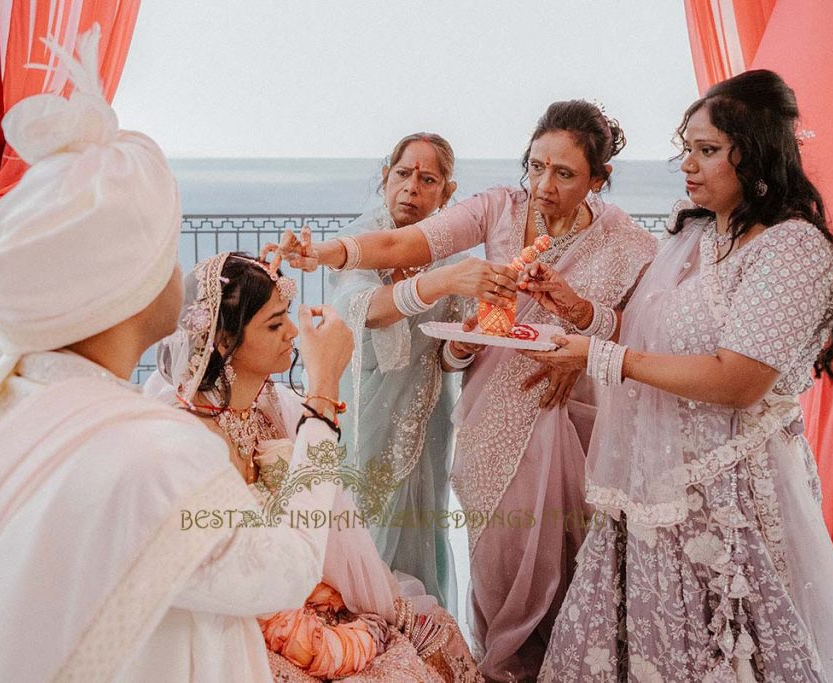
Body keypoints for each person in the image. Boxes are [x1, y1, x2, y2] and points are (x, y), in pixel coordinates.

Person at [0, 29, 352, 682]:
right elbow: (289, 568)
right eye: (165, 251)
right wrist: (323, 397)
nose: (182, 276)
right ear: (126, 287)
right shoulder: (156, 456)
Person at [266, 101, 658, 681]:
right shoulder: (498, 207)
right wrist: (324, 252)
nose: (544, 186)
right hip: (484, 403)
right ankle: (502, 664)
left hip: (562, 408)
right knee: (496, 551)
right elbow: (407, 246)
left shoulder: (624, 239)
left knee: (561, 547)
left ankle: (556, 667)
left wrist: (582, 332)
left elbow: (642, 321)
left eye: (566, 174)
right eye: (537, 165)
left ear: (598, 180)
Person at [525, 70, 833, 681]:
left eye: (707, 151)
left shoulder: (791, 250)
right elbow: (649, 331)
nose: (688, 165)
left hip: (730, 498)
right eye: (687, 148)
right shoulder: (699, 232)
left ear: (757, 152)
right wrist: (581, 313)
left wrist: (598, 358)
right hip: (652, 482)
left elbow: (738, 380)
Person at [145, 252, 482, 682]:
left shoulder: (274, 403)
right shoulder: (195, 440)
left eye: (288, 315)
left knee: (435, 632)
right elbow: (255, 569)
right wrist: (323, 389)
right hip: (248, 613)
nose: (292, 332)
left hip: (303, 587)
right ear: (225, 342)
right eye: (273, 324)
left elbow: (335, 523)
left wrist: (383, 604)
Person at [329, 132, 508, 609]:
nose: (412, 187)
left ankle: (419, 648)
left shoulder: (452, 257)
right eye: (403, 174)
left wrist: (464, 345)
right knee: (362, 526)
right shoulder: (367, 243)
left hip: (426, 416)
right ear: (386, 177)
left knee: (421, 530)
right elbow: (364, 308)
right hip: (362, 408)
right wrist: (440, 281)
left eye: (427, 179)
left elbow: (445, 355)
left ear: (447, 193)